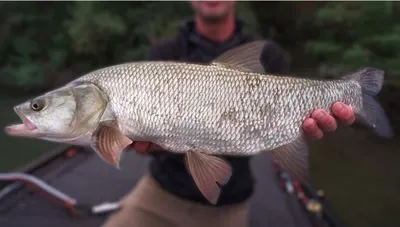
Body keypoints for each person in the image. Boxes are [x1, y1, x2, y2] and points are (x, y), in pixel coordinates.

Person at [102, 1, 355, 227]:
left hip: (229, 202)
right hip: (160, 193)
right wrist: (135, 136)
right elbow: (134, 135)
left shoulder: (269, 55)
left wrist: (300, 126)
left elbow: (294, 125)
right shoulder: (162, 55)